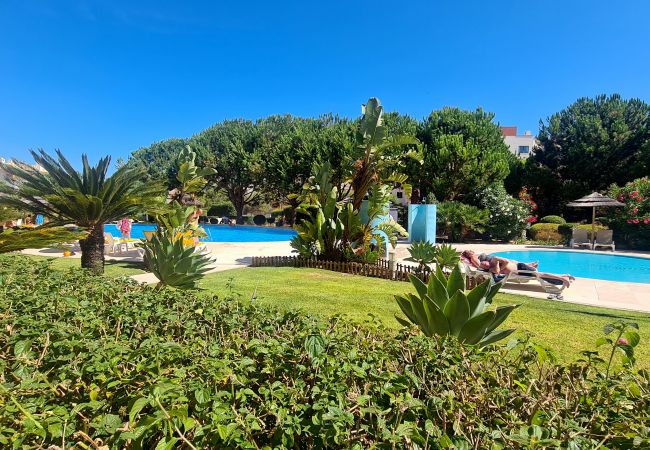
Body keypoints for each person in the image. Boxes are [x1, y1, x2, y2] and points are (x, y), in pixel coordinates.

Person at [461, 250, 574, 287]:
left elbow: (506, 262)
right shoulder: (490, 265)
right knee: (541, 275)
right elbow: (477, 264)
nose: (484, 264)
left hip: (519, 268)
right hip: (518, 269)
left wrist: (498, 267)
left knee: (541, 275)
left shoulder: (492, 262)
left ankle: (563, 278)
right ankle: (564, 277)